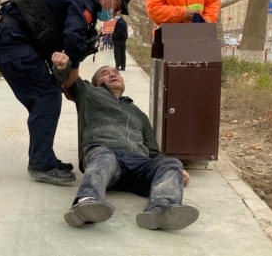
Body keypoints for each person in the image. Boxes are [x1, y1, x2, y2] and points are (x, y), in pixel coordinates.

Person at [0, 0, 135, 184]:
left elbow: (53, 41)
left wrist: (63, 76)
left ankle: (44, 157)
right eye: (118, 7)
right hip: (12, 42)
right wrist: (73, 70)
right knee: (46, 97)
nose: (116, 13)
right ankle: (41, 164)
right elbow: (73, 34)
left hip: (13, 41)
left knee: (46, 96)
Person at [51, 53, 198, 230]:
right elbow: (68, 79)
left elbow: (153, 152)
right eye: (104, 73)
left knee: (171, 162)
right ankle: (86, 202)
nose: (113, 74)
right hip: (104, 152)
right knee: (104, 158)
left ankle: (162, 208)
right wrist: (62, 65)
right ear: (97, 82)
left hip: (137, 163)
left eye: (115, 72)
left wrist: (173, 172)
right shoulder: (88, 93)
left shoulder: (138, 114)